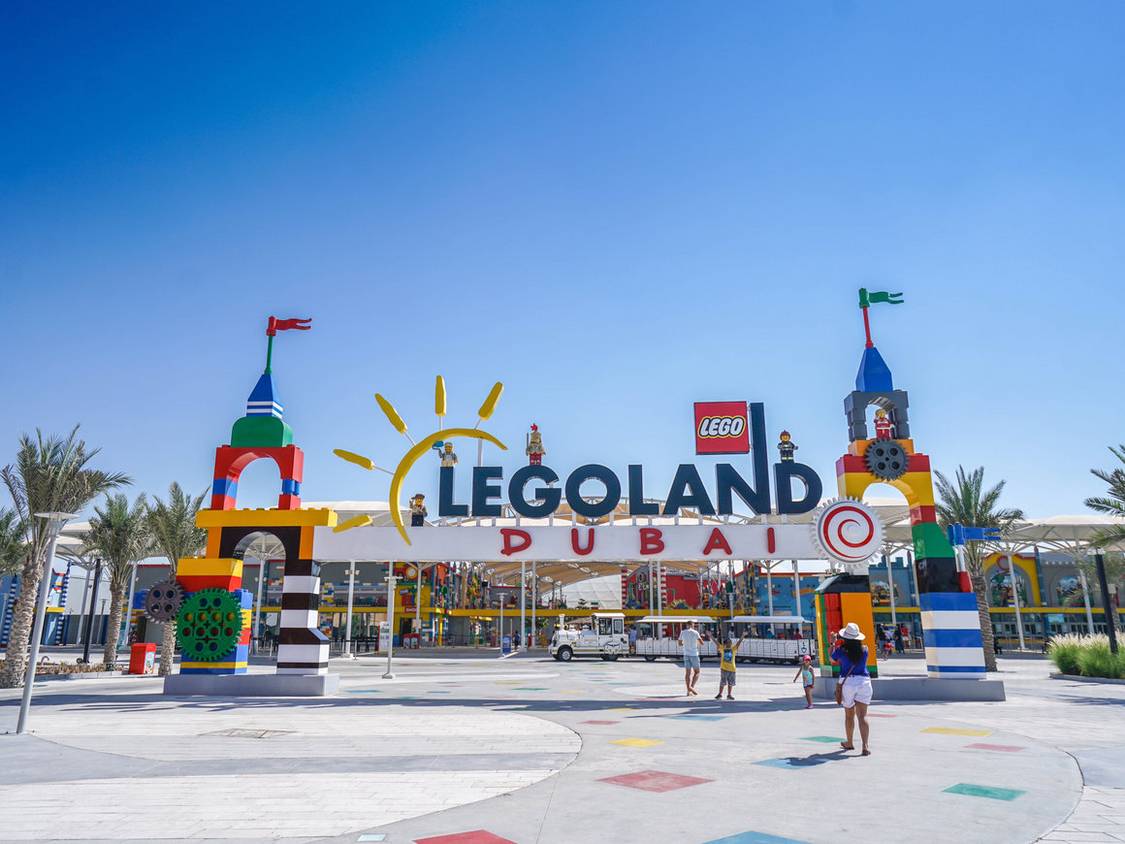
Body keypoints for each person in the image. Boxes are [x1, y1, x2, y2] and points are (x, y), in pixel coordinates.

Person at [831, 622, 873, 756]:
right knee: (862, 716)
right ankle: (865, 746)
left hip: (848, 683)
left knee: (849, 715)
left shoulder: (841, 650)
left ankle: (849, 742)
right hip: (864, 682)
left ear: (845, 637)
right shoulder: (865, 649)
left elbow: (832, 660)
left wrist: (833, 643)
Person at [715, 631, 748, 700]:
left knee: (730, 683)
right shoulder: (723, 648)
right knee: (723, 682)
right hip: (724, 669)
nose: (730, 644)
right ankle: (720, 694)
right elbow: (716, 643)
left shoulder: (733, 649)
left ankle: (729, 695)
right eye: (728, 643)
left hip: (732, 669)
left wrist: (743, 636)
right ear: (725, 644)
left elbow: (739, 643)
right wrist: (711, 636)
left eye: (730, 643)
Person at [678, 620, 704, 696]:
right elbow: (702, 643)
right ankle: (691, 687)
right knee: (697, 672)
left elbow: (679, 643)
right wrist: (696, 643)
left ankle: (688, 690)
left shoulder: (683, 632)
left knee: (687, 673)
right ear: (692, 625)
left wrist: (685, 644)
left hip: (686, 654)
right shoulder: (695, 632)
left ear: (687, 625)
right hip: (694, 654)